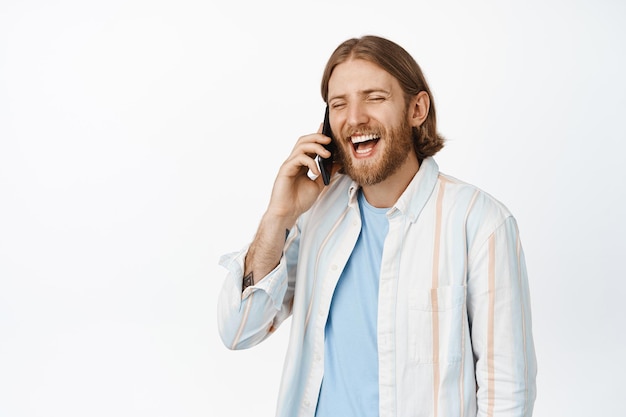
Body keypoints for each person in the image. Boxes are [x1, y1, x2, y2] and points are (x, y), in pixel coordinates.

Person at [217, 35, 537, 417]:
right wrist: (278, 216)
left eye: (374, 97)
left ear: (417, 109)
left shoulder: (481, 223)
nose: (354, 118)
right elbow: (239, 330)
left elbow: (507, 396)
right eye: (339, 104)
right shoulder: (317, 215)